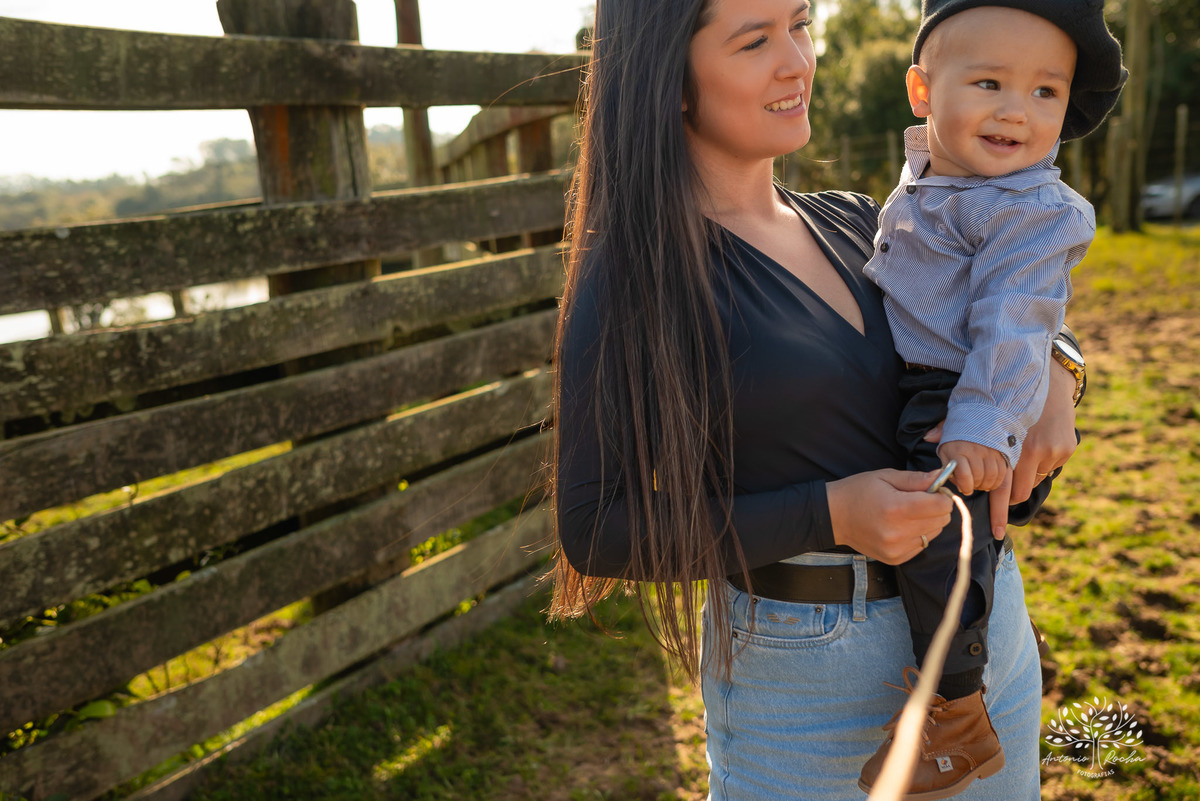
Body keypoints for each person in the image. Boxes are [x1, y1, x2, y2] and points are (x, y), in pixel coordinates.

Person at [547, 1, 1085, 799]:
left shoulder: (860, 221)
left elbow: (1009, 303)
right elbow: (594, 529)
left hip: (984, 638)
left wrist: (1062, 373)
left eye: (799, 23)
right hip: (809, 681)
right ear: (673, 79)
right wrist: (830, 512)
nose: (798, 60)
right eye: (755, 39)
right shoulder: (635, 275)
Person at [857, 2, 1125, 796]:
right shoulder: (936, 179)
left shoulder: (1030, 210)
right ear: (921, 91)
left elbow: (1016, 325)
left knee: (941, 540)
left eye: (1048, 92)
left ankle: (959, 711)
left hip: (964, 398)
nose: (1018, 110)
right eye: (988, 83)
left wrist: (981, 427)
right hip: (934, 385)